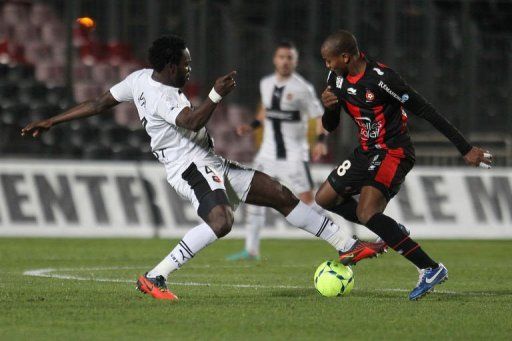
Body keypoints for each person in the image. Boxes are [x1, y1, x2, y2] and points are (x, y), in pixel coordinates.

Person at [21, 35, 386, 301]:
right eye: (186, 63)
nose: (189, 67)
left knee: (279, 194)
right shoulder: (164, 95)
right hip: (188, 167)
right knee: (222, 222)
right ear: (170, 66)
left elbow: (98, 102)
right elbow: (192, 122)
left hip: (208, 160)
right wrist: (215, 94)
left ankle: (346, 245)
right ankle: (155, 277)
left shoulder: (138, 79)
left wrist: (52, 120)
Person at [316, 30, 493, 300]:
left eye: (329, 60)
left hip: (393, 151)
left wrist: (465, 148)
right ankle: (390, 229)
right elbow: (330, 126)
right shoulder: (335, 78)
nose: (326, 66)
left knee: (366, 213)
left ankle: (430, 268)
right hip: (365, 151)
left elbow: (426, 110)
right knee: (325, 198)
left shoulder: (382, 79)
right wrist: (328, 108)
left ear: (345, 56)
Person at [227, 41, 328, 261]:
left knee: (309, 202)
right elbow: (266, 110)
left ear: (295, 61)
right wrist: (251, 126)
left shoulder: (302, 88)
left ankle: (345, 236)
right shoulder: (266, 83)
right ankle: (251, 250)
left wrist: (320, 140)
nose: (285, 61)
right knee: (253, 197)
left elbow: (319, 117)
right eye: (281, 57)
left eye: (289, 57)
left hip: (293, 156)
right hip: (267, 155)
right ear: (275, 59)